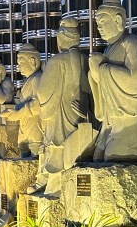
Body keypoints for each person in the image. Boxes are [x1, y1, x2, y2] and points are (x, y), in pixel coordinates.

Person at [30, 16, 91, 193]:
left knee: (56, 146)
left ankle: (53, 185)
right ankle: (64, 184)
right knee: (73, 147)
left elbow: (43, 92)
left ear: (61, 38)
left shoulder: (57, 61)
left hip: (58, 113)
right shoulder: (84, 60)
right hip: (78, 112)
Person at [89, 0, 137, 161]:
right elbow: (102, 86)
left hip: (131, 121)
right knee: (96, 157)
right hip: (111, 121)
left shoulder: (131, 43)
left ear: (118, 20)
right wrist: (94, 74)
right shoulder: (108, 50)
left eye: (103, 22)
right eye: (98, 24)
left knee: (111, 156)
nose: (99, 27)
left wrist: (103, 68)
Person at [2, 44, 43, 157]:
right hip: (25, 127)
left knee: (36, 157)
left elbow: (38, 104)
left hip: (35, 127)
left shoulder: (38, 78)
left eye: (21, 63)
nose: (18, 67)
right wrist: (14, 112)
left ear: (32, 61)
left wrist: (19, 113)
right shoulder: (28, 81)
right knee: (23, 155)